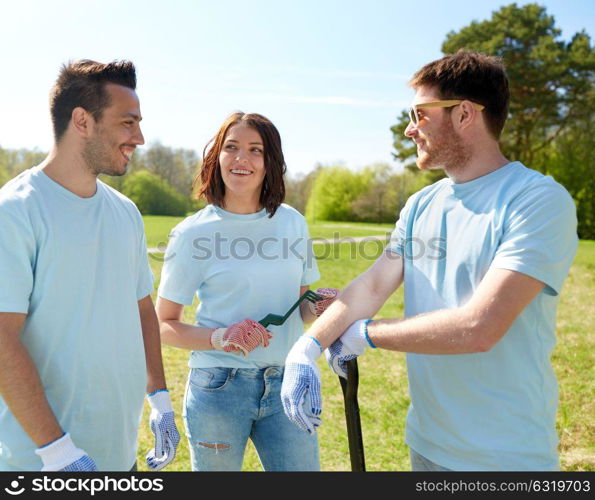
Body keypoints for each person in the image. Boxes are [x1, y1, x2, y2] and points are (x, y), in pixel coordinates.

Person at [281, 50, 578, 471]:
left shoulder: (537, 200)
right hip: (426, 443)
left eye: (420, 114)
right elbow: (371, 285)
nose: (409, 129)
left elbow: (480, 328)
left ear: (464, 115)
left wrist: (366, 334)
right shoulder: (422, 203)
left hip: (504, 457)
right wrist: (306, 349)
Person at [0, 59, 180, 471]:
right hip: (43, 463)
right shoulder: (15, 212)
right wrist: (57, 452)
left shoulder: (125, 213)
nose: (140, 137)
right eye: (127, 122)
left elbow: (141, 310)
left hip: (118, 458)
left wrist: (161, 400)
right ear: (82, 121)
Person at [156, 112, 338, 471]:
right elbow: (163, 325)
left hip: (288, 382)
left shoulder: (292, 222)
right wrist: (222, 337)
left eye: (256, 150)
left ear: (270, 162)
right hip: (219, 388)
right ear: (216, 158)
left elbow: (301, 303)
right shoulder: (192, 234)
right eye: (232, 147)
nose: (242, 159)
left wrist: (319, 306)